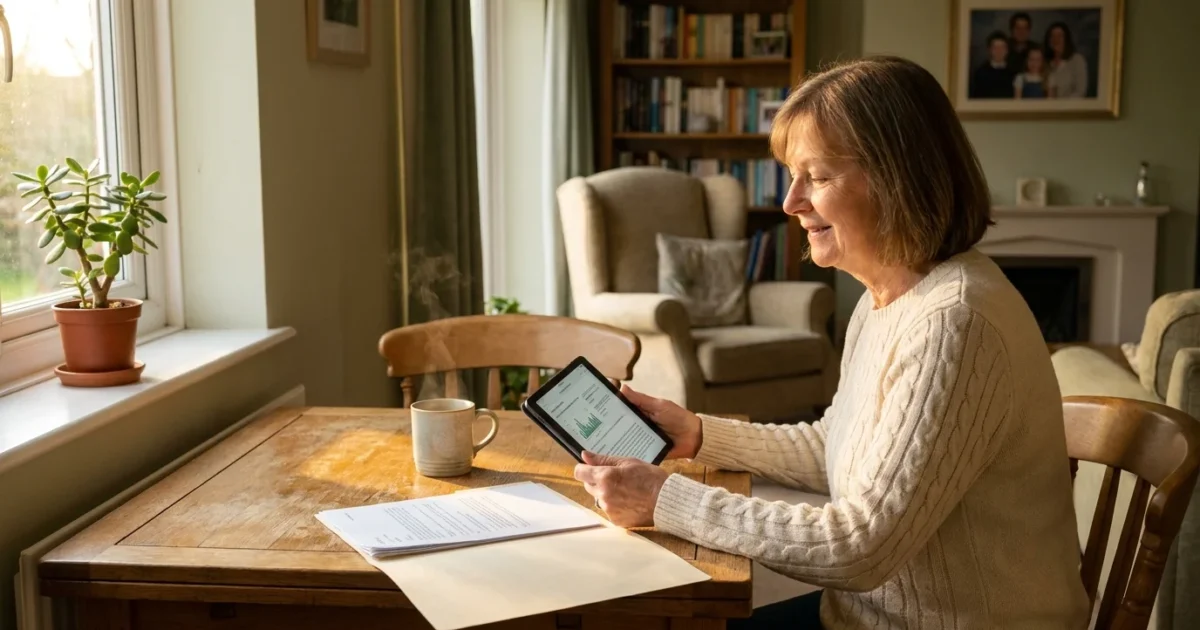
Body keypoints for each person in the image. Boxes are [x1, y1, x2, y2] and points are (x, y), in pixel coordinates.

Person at [573, 56, 1091, 629]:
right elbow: (836, 446)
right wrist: (698, 433)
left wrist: (665, 500)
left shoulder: (955, 320)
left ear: (899, 177)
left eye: (815, 177)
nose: (791, 203)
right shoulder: (888, 295)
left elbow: (859, 545)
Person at [1045, 22, 1089, 98]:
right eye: (1053, 36)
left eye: (1060, 36)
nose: (1056, 39)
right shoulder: (1044, 63)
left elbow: (1081, 92)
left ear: (1066, 39)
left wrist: (1060, 106)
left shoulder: (1077, 60)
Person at [969, 31, 1015, 98]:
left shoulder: (1014, 72)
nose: (999, 51)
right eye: (995, 47)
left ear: (1007, 50)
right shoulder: (980, 73)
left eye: (1002, 47)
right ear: (989, 50)